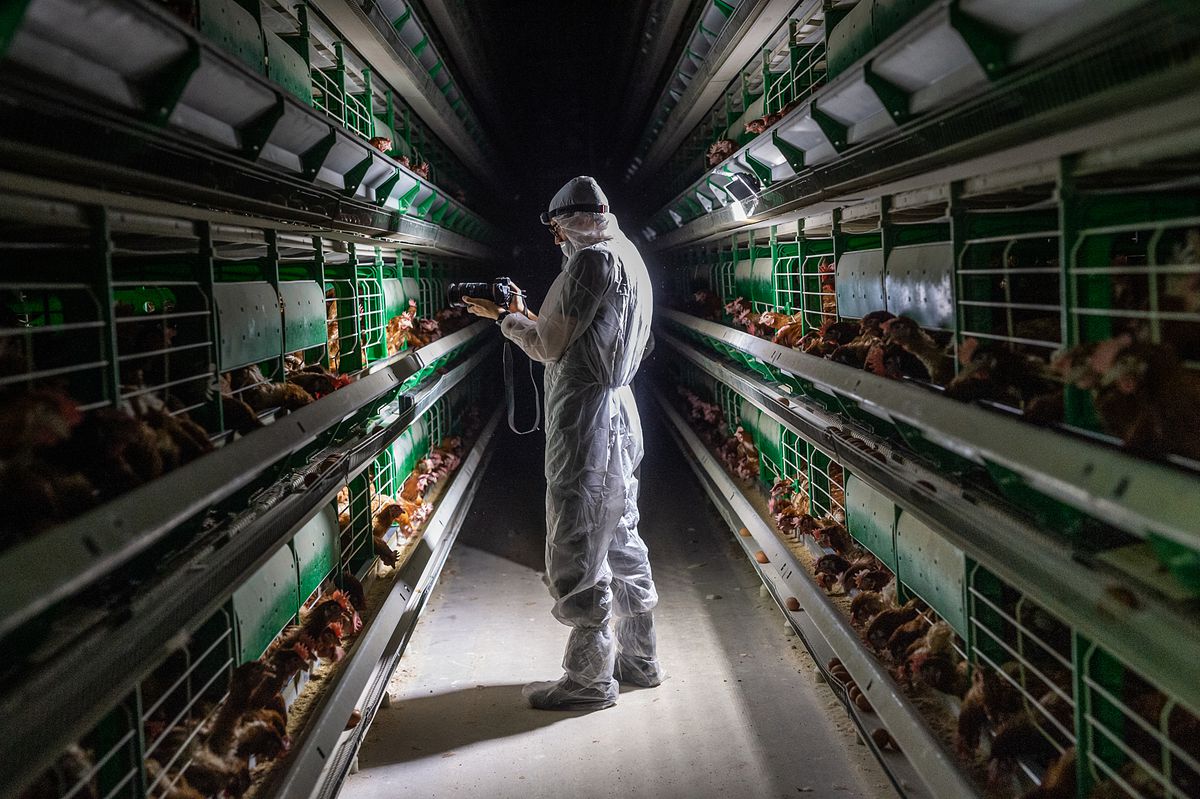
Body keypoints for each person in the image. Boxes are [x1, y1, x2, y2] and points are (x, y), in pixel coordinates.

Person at [464, 176, 661, 710]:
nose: (556, 241)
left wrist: (505, 319)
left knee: (575, 535)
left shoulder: (590, 263)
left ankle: (589, 679)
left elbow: (550, 343)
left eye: (556, 230)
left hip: (585, 419)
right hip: (620, 409)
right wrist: (532, 317)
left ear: (569, 223)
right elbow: (591, 331)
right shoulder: (631, 257)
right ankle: (641, 659)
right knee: (620, 531)